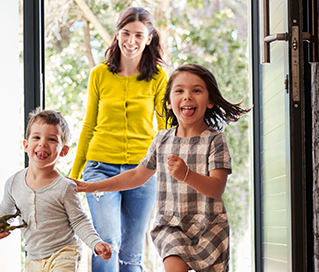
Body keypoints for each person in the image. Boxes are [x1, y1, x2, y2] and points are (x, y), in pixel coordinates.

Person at [75, 64, 251, 272]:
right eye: (179, 91)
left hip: (209, 229)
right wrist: (92, 186)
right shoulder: (162, 139)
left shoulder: (215, 139)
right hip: (172, 227)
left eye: (196, 90)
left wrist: (186, 174)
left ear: (210, 100)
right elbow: (137, 176)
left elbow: (216, 188)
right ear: (168, 103)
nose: (187, 96)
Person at [69, 6, 168, 272]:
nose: (131, 41)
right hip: (100, 169)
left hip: (143, 171)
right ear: (117, 34)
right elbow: (89, 125)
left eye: (138, 35)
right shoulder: (99, 75)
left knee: (132, 253)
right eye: (125, 33)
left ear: (149, 38)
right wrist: (75, 174)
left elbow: (165, 128)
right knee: (107, 244)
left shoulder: (158, 78)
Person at [0, 108, 112, 272]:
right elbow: (3, 213)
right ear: (26, 144)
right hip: (33, 257)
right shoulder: (13, 183)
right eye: (36, 137)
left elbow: (79, 221)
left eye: (51, 139)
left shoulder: (65, 187)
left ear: (63, 151)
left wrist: (95, 243)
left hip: (64, 252)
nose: (42, 143)